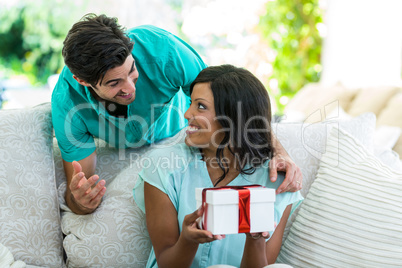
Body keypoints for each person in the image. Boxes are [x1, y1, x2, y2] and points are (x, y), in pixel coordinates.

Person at [52, 14, 302, 215]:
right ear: (82, 81)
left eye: (132, 70)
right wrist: (81, 202)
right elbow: (80, 187)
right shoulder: (66, 104)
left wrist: (278, 151)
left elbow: (228, 98)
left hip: (185, 135)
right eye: (115, 83)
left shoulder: (163, 51)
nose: (130, 87)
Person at [133, 65, 303, 267]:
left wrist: (255, 238)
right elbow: (165, 263)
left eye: (201, 106)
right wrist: (188, 240)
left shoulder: (277, 181)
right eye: (191, 103)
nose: (187, 114)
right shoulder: (163, 166)